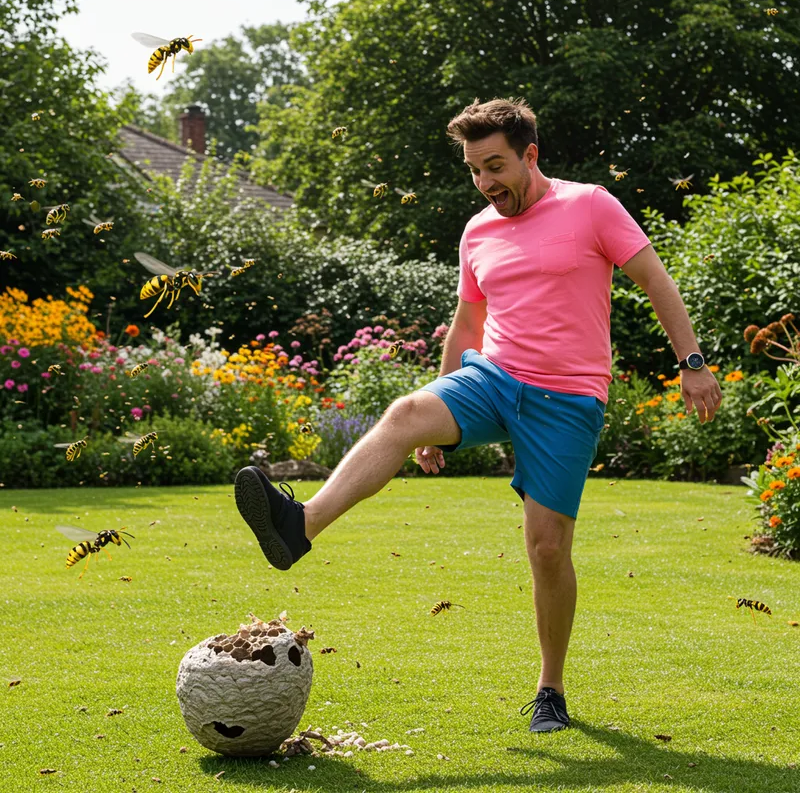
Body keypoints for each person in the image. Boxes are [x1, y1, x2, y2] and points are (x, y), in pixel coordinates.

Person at [233, 97, 723, 734]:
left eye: (495, 166)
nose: (486, 183)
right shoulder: (478, 231)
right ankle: (299, 527)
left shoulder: (591, 205)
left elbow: (655, 279)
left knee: (547, 550)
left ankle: (551, 688)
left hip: (568, 400)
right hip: (492, 377)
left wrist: (692, 361)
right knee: (407, 412)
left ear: (530, 155)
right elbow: (469, 323)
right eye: (474, 170)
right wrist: (438, 418)